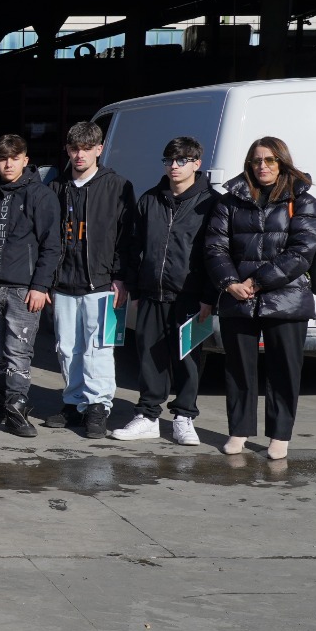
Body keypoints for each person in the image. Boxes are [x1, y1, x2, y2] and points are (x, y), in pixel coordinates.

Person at [206, 136, 316, 461]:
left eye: (270, 160)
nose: (262, 166)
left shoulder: (303, 201)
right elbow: (215, 247)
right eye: (257, 160)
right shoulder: (229, 201)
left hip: (286, 301)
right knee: (239, 370)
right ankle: (239, 432)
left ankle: (279, 436)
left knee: (284, 370)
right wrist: (230, 283)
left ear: (282, 162)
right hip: (238, 299)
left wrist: (256, 282)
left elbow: (302, 251)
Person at [112, 136, 217, 446]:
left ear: (197, 164)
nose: (174, 166)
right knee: (148, 356)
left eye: (181, 160)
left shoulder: (211, 203)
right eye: (169, 160)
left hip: (191, 297)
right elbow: (133, 246)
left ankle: (184, 417)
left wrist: (210, 296)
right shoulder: (150, 200)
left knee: (188, 359)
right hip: (151, 293)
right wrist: (133, 285)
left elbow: (217, 253)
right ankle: (147, 416)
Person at [44, 121, 136, 439]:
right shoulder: (56, 188)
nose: (79, 155)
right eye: (74, 148)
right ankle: (74, 402)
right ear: (67, 150)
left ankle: (98, 406)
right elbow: (47, 237)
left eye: (86, 148)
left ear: (99, 149)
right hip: (64, 282)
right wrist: (48, 280)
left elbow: (127, 237)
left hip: (102, 282)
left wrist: (121, 277)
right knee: (66, 347)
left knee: (98, 348)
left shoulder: (117, 186)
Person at [0, 134, 61, 438]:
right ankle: (2, 400)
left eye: (14, 157)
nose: (7, 164)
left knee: (18, 351)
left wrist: (40, 286)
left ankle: (18, 406)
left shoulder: (41, 195)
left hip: (24, 290)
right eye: (1, 158)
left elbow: (52, 246)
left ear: (25, 159)